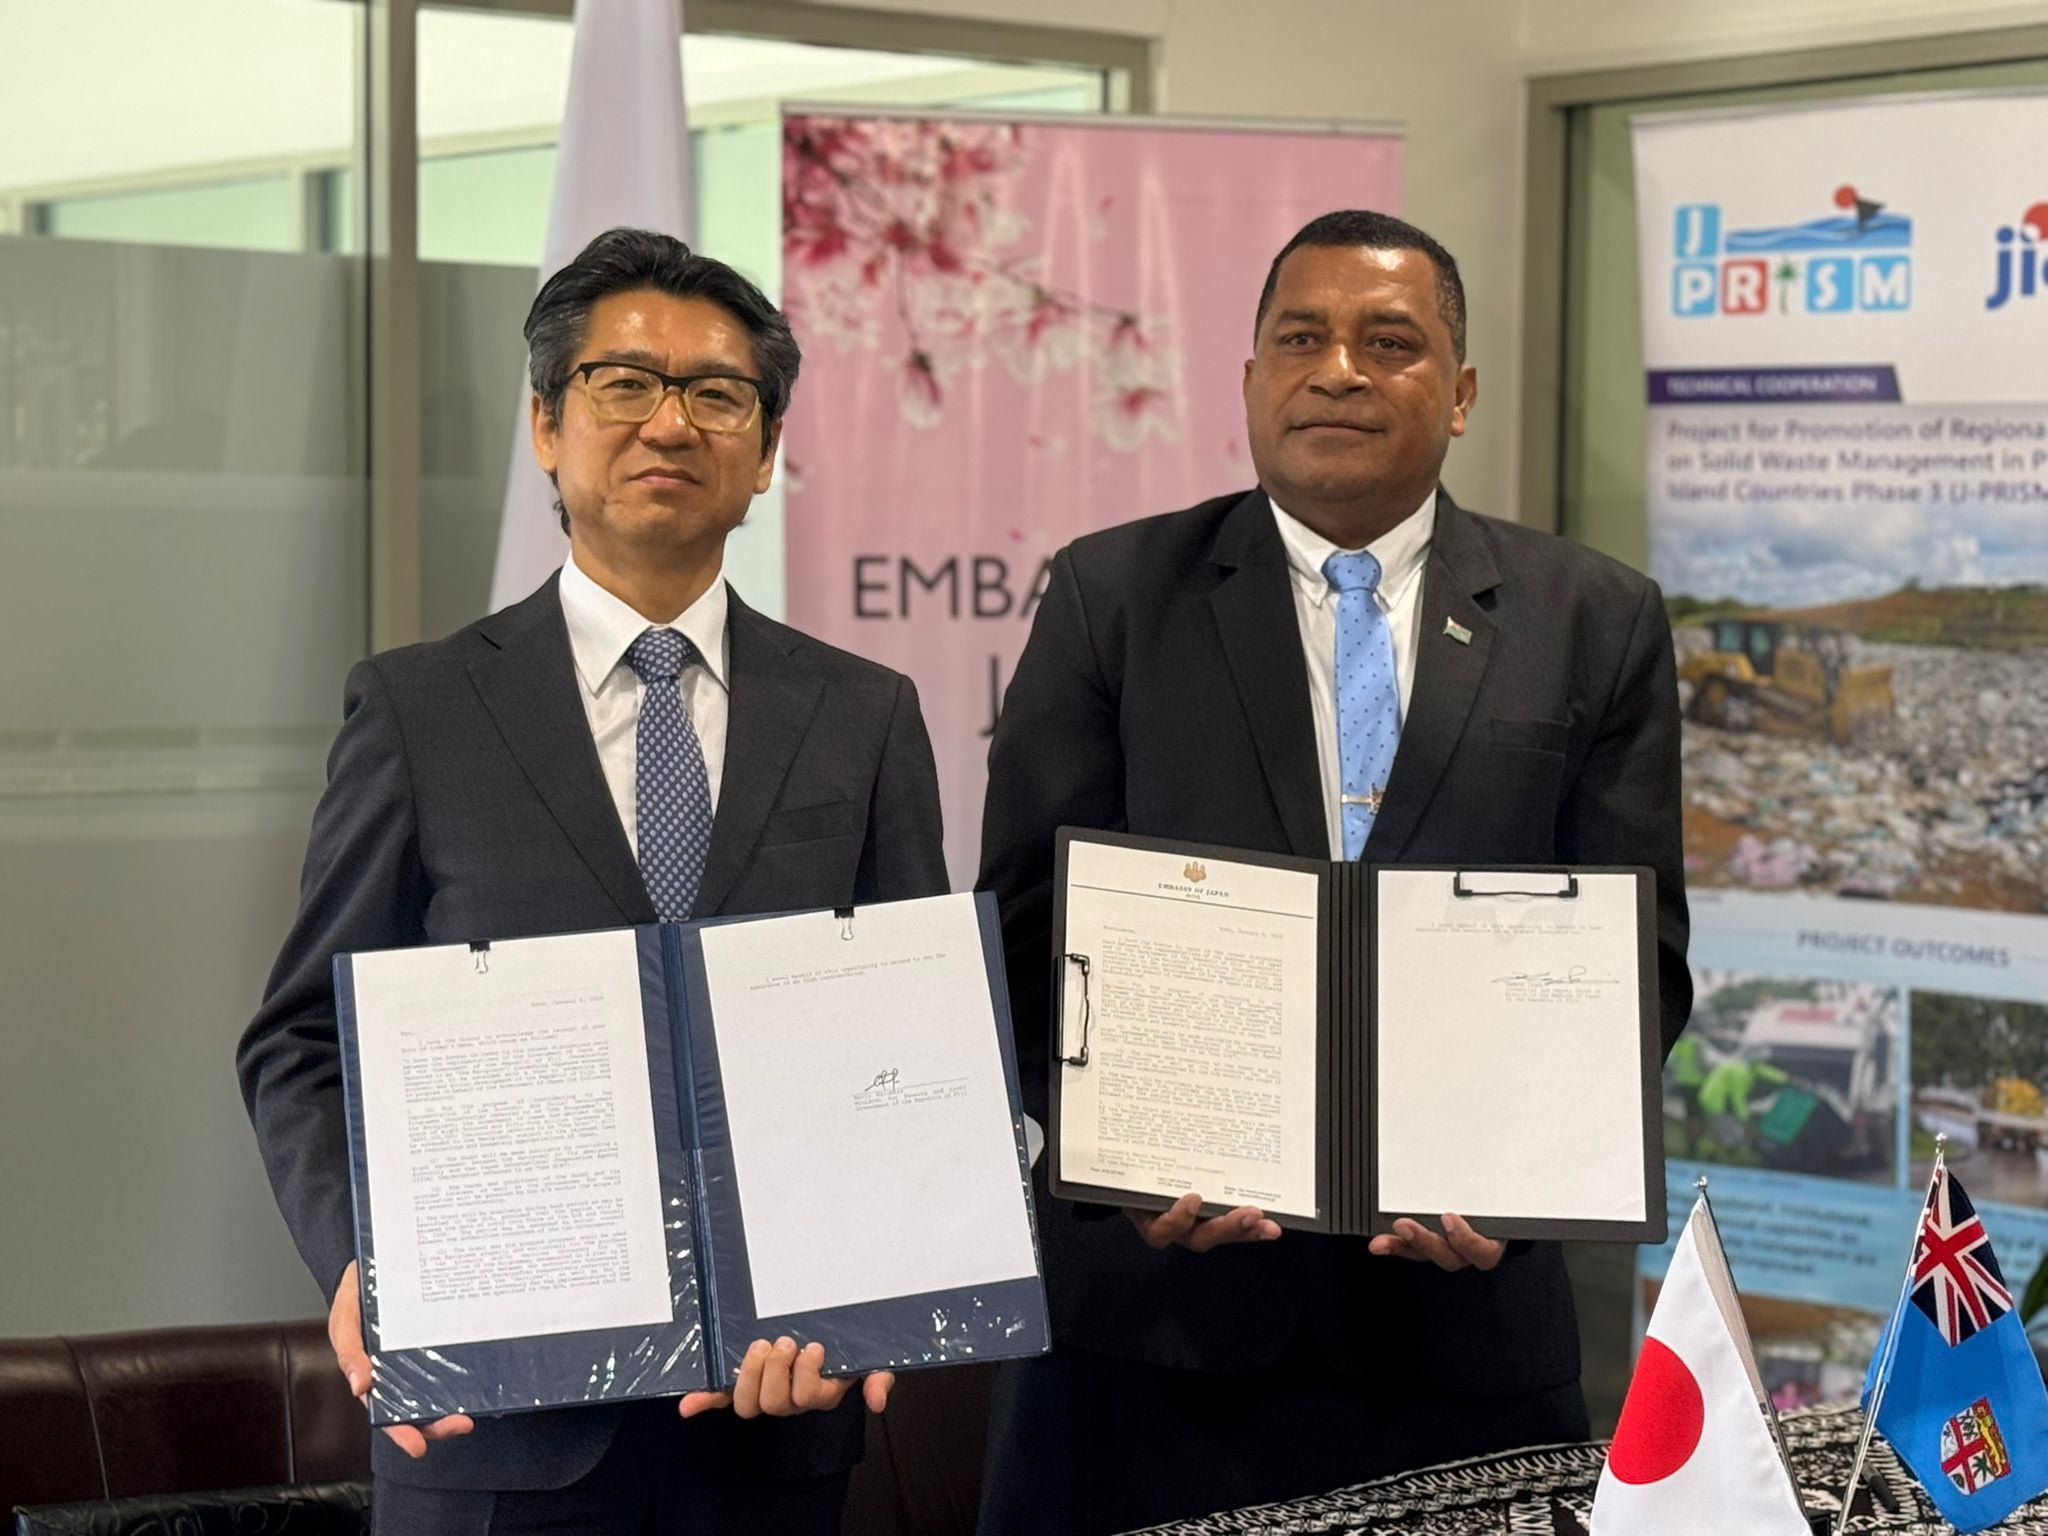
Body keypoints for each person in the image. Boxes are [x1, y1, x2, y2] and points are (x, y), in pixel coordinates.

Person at [975, 210, 1690, 1535]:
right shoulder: (1111, 596)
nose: (1340, 371)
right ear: (1251, 379)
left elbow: (1637, 965)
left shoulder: (1595, 618)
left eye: (1390, 342)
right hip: (1153, 1340)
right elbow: (1023, 937)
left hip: (1460, 1336)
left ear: (1460, 393)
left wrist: (1525, 1179)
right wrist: (1118, 1164)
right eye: (1301, 339)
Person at [237, 227, 948, 1535]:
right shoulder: (419, 710)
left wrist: (878, 1295)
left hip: (773, 1423)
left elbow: (913, 1045)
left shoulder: (865, 715)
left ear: (766, 451)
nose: (670, 422)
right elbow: (300, 1041)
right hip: (497, 1432)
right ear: (546, 427)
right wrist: (362, 1260)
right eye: (624, 384)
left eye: (717, 393)